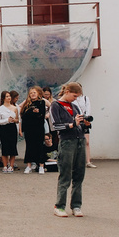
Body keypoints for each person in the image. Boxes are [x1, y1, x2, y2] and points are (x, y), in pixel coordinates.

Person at [49, 82, 88, 217]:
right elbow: (55, 126)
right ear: (67, 91)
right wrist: (72, 124)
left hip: (80, 141)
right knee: (65, 174)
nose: (75, 98)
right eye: (74, 95)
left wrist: (85, 124)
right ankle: (59, 205)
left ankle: (76, 205)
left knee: (79, 174)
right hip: (67, 142)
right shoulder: (55, 105)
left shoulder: (75, 106)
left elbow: (81, 126)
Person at [20, 87, 47, 173]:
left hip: (38, 128)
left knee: (39, 145)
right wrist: (32, 112)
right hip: (28, 128)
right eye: (31, 93)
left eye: (34, 92)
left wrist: (34, 113)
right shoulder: (27, 103)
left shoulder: (41, 102)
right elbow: (23, 115)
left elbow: (41, 114)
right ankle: (29, 165)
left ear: (38, 93)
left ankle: (41, 166)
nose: (32, 94)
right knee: (29, 146)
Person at [0, 90, 19, 172]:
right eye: (7, 96)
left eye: (9, 96)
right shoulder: (0, 109)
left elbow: (18, 120)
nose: (9, 98)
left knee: (12, 147)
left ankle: (11, 166)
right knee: (4, 147)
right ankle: (5, 165)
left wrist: (13, 120)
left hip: (12, 128)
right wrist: (6, 120)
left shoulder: (15, 108)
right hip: (4, 129)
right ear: (3, 98)